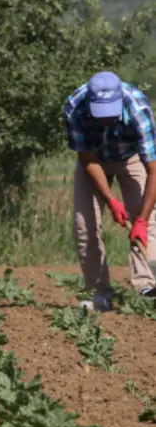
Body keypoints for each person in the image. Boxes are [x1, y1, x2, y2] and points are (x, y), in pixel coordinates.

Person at [64, 71, 156, 312]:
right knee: (84, 225)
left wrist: (141, 220)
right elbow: (86, 158)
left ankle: (148, 288)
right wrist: (111, 200)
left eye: (111, 112)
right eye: (101, 112)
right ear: (90, 101)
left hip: (131, 158)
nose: (106, 119)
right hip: (94, 161)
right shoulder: (75, 107)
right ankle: (100, 294)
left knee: (148, 222)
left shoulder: (138, 108)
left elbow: (154, 171)